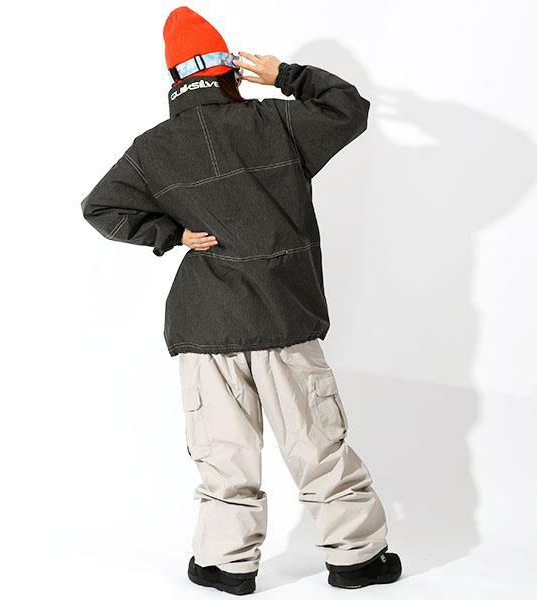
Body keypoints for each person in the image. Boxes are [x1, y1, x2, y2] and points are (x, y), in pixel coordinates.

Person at [81, 5, 402, 595]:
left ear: (175, 82)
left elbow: (99, 207)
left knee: (223, 453)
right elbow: (348, 109)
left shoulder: (153, 149)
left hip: (205, 324)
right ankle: (356, 559)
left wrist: (171, 234)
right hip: (281, 318)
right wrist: (286, 75)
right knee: (316, 444)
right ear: (229, 71)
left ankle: (226, 565)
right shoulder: (276, 123)